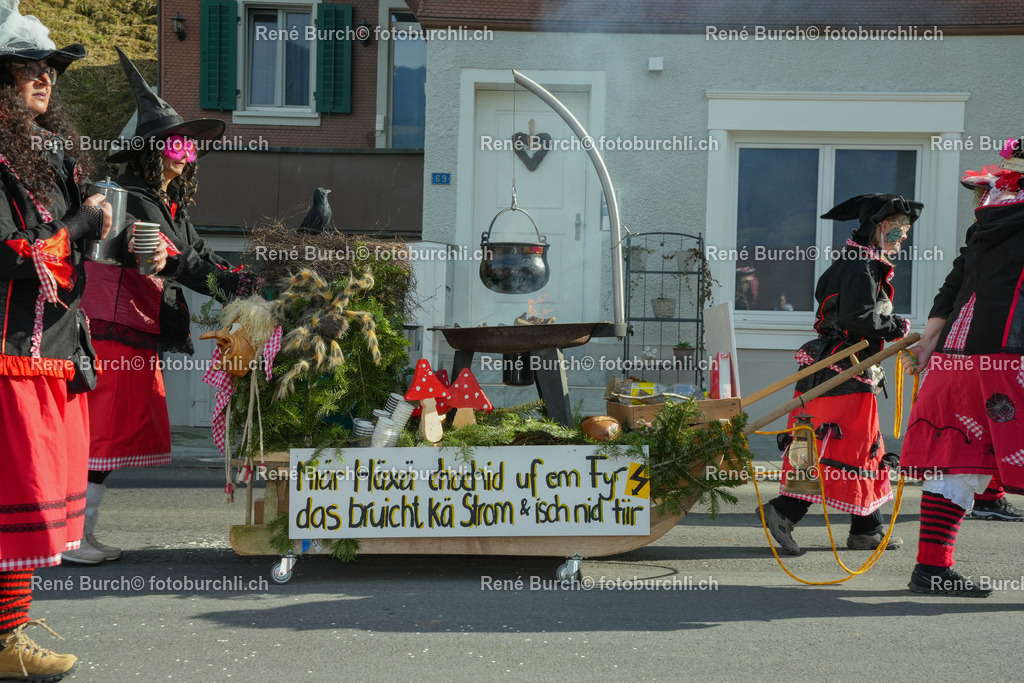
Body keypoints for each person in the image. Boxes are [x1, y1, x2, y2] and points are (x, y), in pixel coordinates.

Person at [65, 49, 256, 564]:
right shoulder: (136, 196)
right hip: (112, 327)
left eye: (191, 147)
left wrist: (241, 280)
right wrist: (230, 288)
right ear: (151, 151)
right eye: (177, 144)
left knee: (111, 433)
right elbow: (177, 260)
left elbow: (197, 254)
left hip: (134, 327)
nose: (186, 153)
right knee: (100, 434)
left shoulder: (166, 200)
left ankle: (81, 531)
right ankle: (71, 537)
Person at [0, 1, 113, 677]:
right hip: (9, 358)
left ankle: (8, 639)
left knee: (20, 517)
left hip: (45, 355)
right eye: (26, 69)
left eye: (49, 70)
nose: (45, 80)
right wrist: (78, 224)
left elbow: (63, 238)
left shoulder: (40, 157)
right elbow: (15, 250)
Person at [757, 194, 921, 555]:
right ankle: (783, 512)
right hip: (842, 370)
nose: (905, 236)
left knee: (855, 445)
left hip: (840, 366)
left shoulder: (855, 260)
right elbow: (857, 318)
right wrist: (896, 326)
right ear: (880, 226)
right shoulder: (861, 265)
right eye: (900, 228)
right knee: (833, 444)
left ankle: (866, 528)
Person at [899, 139, 1024, 597]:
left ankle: (932, 568)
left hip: (956, 357)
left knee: (957, 461)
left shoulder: (986, 222)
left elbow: (954, 286)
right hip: (1010, 358)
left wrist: (930, 344)